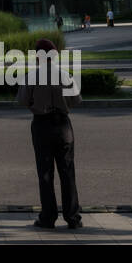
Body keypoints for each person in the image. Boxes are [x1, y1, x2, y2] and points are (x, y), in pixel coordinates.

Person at [16, 38, 82, 229]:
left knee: (45, 173)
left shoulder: (31, 76)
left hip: (42, 125)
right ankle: (73, 218)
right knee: (67, 172)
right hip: (63, 125)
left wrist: (35, 106)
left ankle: (48, 217)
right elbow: (75, 100)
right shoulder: (65, 75)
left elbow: (22, 101)